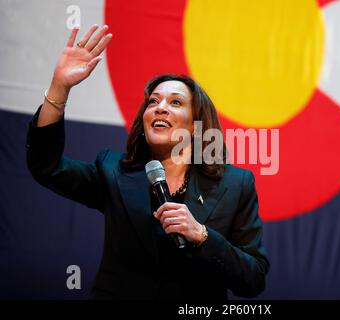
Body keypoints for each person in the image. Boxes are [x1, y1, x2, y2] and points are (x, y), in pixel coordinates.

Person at [26, 24, 269, 300]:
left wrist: (202, 235)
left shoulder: (235, 184)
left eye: (175, 102)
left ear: (195, 126)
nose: (160, 107)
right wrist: (60, 87)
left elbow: (254, 279)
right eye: (153, 101)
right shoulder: (112, 171)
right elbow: (45, 166)